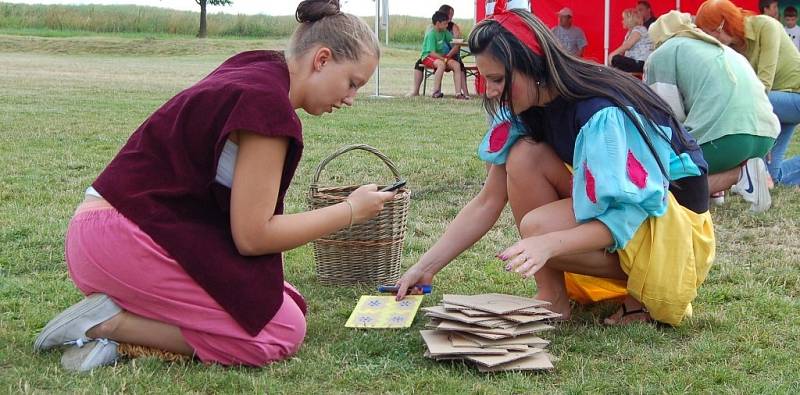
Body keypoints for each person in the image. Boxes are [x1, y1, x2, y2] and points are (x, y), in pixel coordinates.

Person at [33, 0, 395, 372]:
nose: (351, 98)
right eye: (352, 83)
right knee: (281, 331)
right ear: (321, 59)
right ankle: (107, 326)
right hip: (125, 240)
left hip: (110, 231)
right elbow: (253, 237)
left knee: (285, 300)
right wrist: (351, 210)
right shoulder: (266, 107)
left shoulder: (257, 68)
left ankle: (120, 329)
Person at [395, 0, 715, 327]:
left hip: (674, 229)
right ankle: (553, 297)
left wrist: (547, 244)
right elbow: (487, 201)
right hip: (634, 209)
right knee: (522, 156)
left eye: (497, 79)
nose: (489, 92)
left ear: (534, 66)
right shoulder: (526, 107)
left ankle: (642, 294)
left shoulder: (597, 110)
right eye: (484, 79)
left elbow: (626, 215)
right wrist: (427, 265)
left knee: (539, 226)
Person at [646, 11, 780, 213]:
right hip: (763, 137)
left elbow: (665, 116)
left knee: (663, 186)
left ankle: (740, 174)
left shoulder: (664, 52)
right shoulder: (721, 48)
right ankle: (722, 186)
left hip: (726, 140)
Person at [696, 0, 800, 186]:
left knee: (738, 104)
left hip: (792, 96)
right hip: (774, 104)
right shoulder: (729, 49)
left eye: (711, 31)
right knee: (773, 177)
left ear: (724, 24)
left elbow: (762, 86)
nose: (711, 39)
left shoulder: (767, 26)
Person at [409, 5, 470, 98]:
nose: (447, 25)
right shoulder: (431, 34)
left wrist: (457, 41)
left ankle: (458, 93)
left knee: (457, 65)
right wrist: (444, 59)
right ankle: (436, 91)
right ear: (438, 23)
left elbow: (453, 40)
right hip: (429, 56)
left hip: (441, 56)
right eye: (445, 23)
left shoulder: (444, 32)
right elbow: (431, 53)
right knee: (441, 65)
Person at [608, 8, 653, 73]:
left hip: (641, 62)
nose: (622, 21)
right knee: (616, 59)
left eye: (624, 19)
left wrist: (612, 54)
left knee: (616, 59)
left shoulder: (639, 29)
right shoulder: (629, 33)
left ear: (630, 20)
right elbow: (622, 50)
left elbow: (628, 45)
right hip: (634, 61)